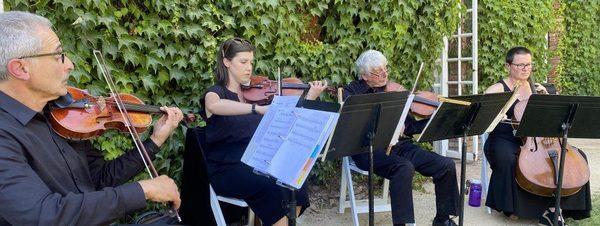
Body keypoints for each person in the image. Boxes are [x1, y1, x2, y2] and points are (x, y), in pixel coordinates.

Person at [0, 11, 184, 225]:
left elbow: (98, 179)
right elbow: (42, 216)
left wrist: (155, 142)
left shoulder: (61, 117)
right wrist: (141, 191)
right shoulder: (4, 135)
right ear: (21, 68)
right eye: (58, 55)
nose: (69, 64)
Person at [200, 37, 328, 226]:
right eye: (243, 62)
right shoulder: (216, 92)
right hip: (227, 168)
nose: (249, 67)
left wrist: (309, 97)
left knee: (295, 178)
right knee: (270, 186)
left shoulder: (255, 94)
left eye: (251, 62)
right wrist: (255, 109)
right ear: (227, 62)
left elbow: (288, 120)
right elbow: (214, 105)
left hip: (257, 162)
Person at [343, 50, 459, 226]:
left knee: (446, 165)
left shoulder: (394, 90)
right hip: (368, 149)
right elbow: (352, 126)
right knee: (404, 167)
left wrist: (434, 118)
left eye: (385, 69)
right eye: (378, 71)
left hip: (399, 145)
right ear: (365, 76)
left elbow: (411, 127)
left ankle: (442, 219)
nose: (385, 74)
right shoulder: (351, 92)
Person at [484, 46, 591, 226]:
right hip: (505, 138)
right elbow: (484, 117)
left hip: (537, 139)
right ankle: (513, 208)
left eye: (529, 64)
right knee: (507, 159)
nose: (526, 69)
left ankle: (557, 207)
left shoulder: (539, 88)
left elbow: (554, 117)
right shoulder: (497, 89)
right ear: (508, 66)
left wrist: (548, 103)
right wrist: (495, 113)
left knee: (575, 156)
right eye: (520, 65)